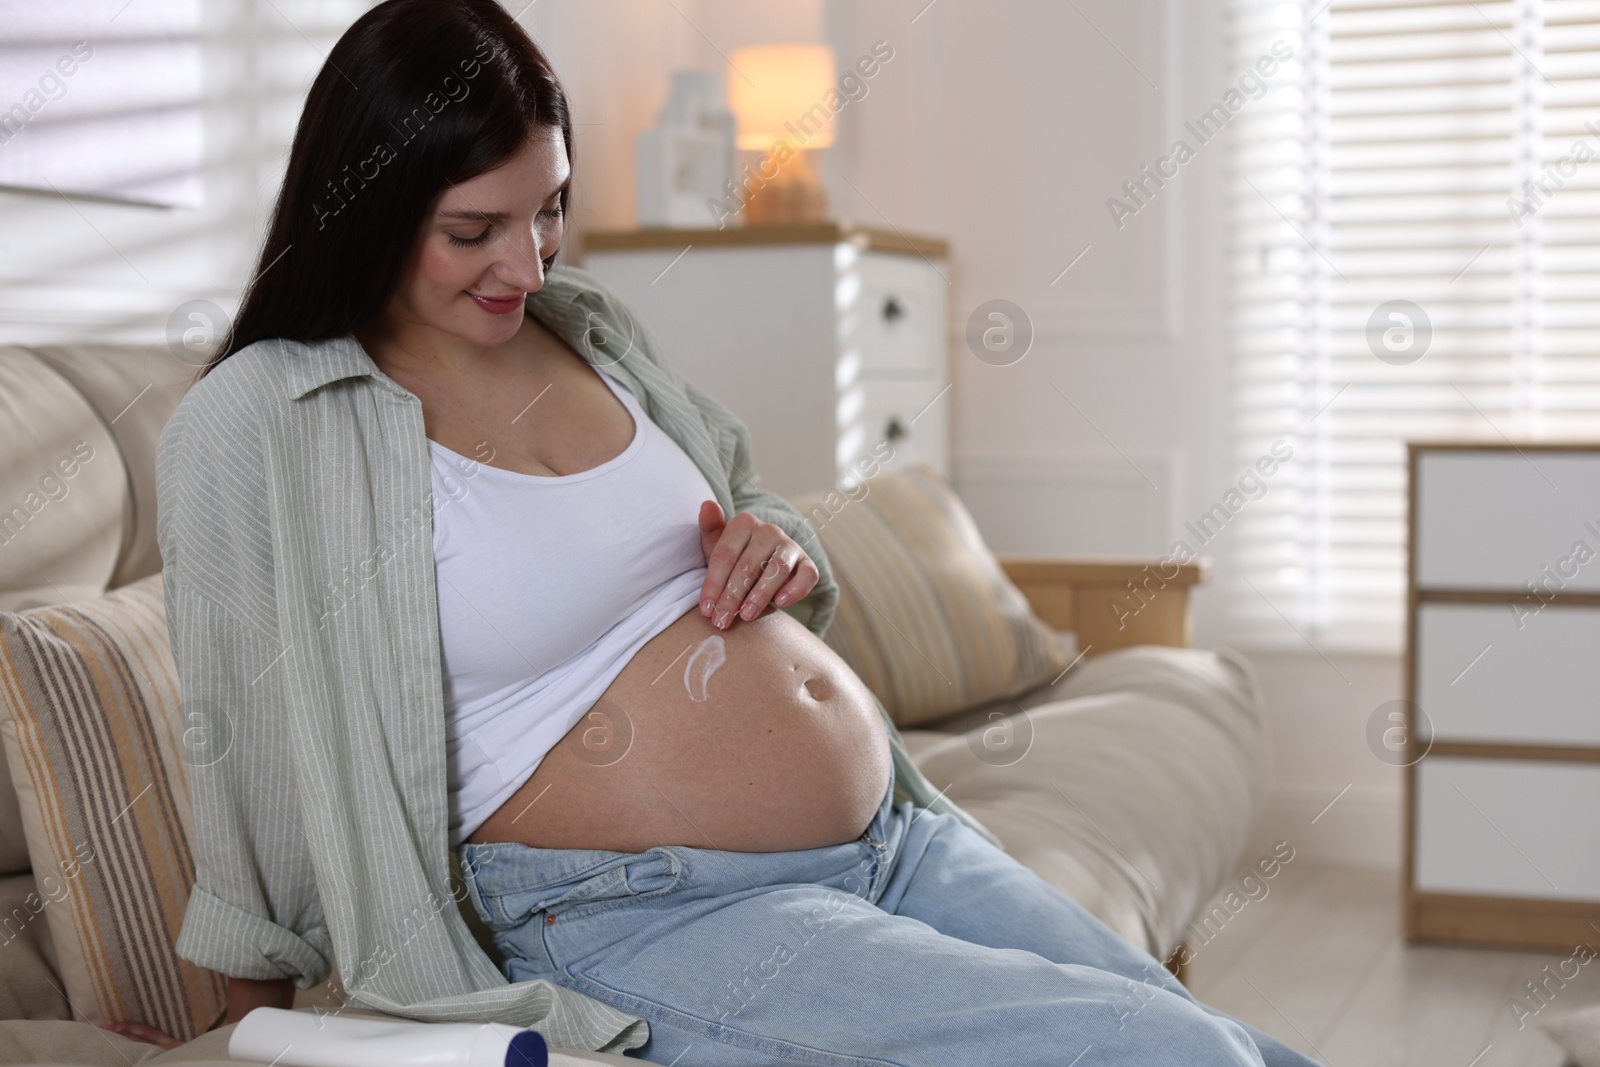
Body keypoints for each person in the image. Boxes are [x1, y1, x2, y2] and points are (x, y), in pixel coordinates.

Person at [116, 2, 1323, 1064]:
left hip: (891, 835)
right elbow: (247, 742)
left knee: (1234, 1044)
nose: (526, 264)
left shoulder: (587, 328)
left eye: (550, 212)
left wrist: (781, 546)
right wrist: (248, 1026)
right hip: (636, 911)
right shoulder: (266, 420)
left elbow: (751, 504)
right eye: (473, 230)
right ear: (368, 206)